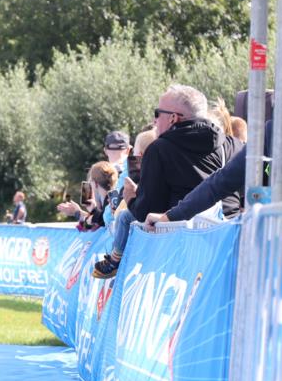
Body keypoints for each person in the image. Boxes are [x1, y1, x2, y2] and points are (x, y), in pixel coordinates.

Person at [92, 84, 241, 278]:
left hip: (180, 258)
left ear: (173, 118)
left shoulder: (159, 149)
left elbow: (147, 211)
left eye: (157, 113)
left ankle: (115, 260)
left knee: (126, 216)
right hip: (230, 247)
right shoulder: (234, 146)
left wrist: (130, 199)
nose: (154, 120)